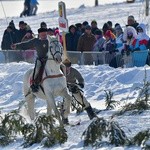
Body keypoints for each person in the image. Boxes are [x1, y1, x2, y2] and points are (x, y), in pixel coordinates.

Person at [11, 28, 49, 92]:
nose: (44, 36)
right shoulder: (36, 41)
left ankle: (65, 82)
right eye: (42, 35)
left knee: (62, 67)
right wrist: (16, 46)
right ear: (39, 34)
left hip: (50, 59)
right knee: (36, 69)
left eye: (45, 35)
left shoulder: (50, 40)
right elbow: (25, 44)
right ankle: (34, 84)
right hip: (40, 60)